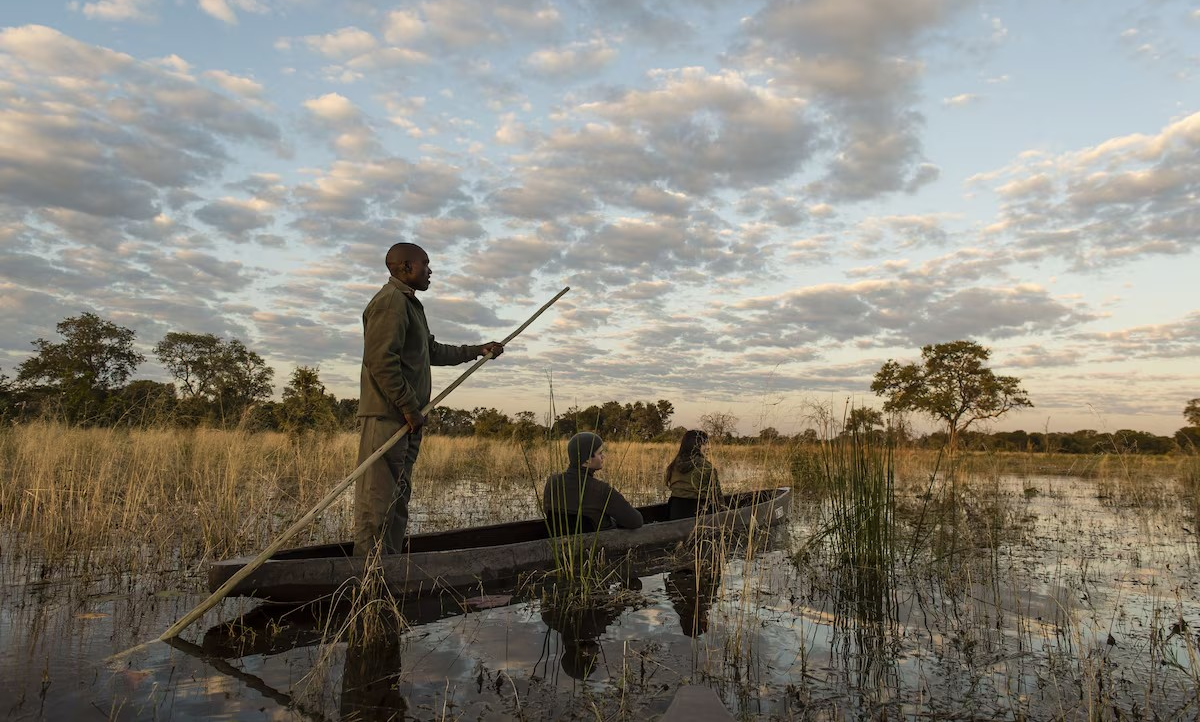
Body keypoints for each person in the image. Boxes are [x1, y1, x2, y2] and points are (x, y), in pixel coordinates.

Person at [354, 242, 505, 556]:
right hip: (387, 418)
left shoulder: (411, 305)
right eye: (425, 264)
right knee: (377, 502)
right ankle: (366, 577)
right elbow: (381, 361)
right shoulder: (391, 301)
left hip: (407, 420)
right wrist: (409, 407)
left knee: (397, 499)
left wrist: (477, 351)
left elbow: (432, 351)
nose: (430, 270)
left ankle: (388, 570)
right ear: (407, 267)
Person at [543, 432, 643, 533]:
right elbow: (636, 521)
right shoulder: (602, 490)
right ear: (587, 460)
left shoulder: (551, 482)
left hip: (561, 542)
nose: (603, 457)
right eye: (600, 453)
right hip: (598, 545)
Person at [664, 429, 723, 520]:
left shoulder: (673, 465)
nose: (708, 447)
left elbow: (669, 485)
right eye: (705, 444)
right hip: (698, 512)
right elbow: (717, 495)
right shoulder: (706, 467)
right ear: (696, 446)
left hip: (675, 511)